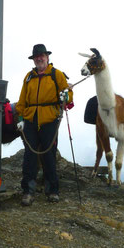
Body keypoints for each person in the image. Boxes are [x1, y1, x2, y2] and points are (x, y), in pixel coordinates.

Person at [16, 44, 73, 206]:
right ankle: (27, 191)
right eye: (36, 56)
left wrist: (66, 95)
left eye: (42, 56)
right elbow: (22, 100)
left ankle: (53, 190)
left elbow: (68, 95)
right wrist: (20, 117)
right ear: (34, 59)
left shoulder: (57, 75)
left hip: (49, 119)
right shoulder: (28, 77)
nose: (39, 58)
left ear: (47, 57)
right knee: (29, 156)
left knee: (49, 155)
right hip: (30, 120)